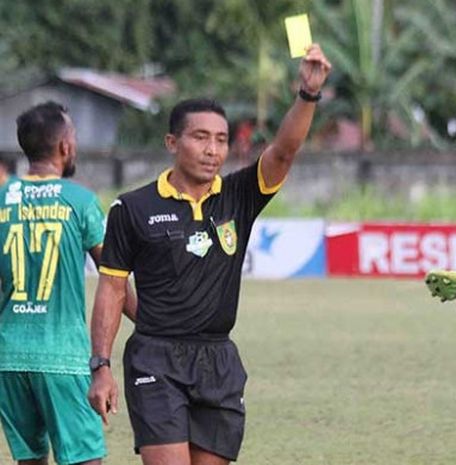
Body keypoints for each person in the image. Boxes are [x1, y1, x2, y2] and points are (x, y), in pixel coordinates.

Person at [88, 44, 331, 465]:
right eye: (200, 137)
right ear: (172, 142)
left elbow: (283, 151)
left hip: (218, 361)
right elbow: (111, 288)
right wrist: (101, 366)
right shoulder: (133, 208)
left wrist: (307, 94)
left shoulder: (239, 195)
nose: (212, 150)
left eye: (220, 140)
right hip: (155, 359)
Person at [0, 102, 136, 465]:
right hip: (63, 358)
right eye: (73, 136)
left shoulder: (2, 198)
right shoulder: (79, 200)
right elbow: (113, 276)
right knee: (84, 459)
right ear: (64, 146)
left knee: (30, 461)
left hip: (8, 358)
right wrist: (157, 322)